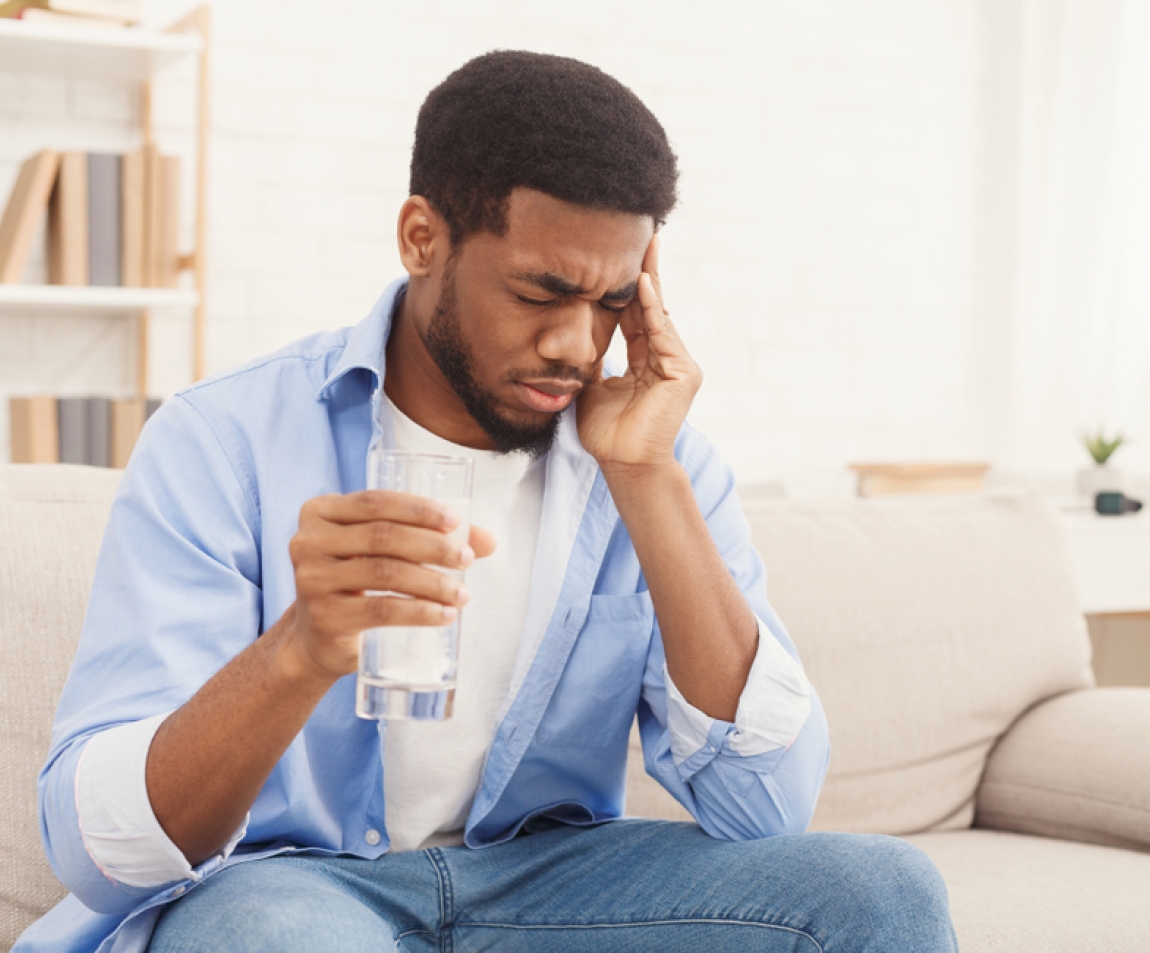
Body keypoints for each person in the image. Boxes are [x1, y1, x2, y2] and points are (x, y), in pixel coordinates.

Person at [19, 51, 958, 953]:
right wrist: (299, 652)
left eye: (611, 302)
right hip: (292, 881)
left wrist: (647, 480)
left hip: (547, 881)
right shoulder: (223, 441)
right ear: (422, 237)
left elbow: (767, 807)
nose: (578, 346)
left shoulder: (656, 463)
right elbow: (100, 849)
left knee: (880, 892)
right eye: (541, 291)